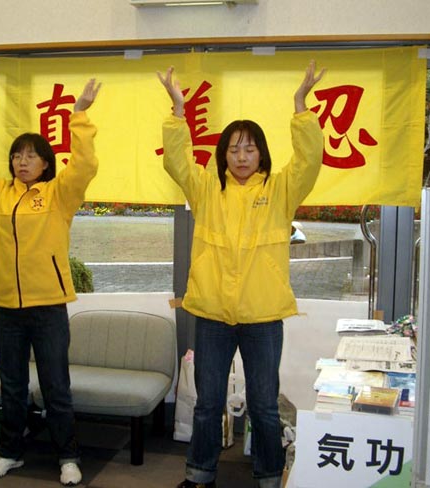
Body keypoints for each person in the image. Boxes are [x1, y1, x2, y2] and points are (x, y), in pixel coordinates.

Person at [157, 61, 325, 488]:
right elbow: (176, 162)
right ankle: (199, 475)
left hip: (262, 318)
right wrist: (178, 112)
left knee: (264, 406)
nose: (242, 157)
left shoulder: (280, 189)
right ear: (223, 155)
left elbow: (310, 160)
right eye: (233, 150)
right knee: (207, 404)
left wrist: (301, 107)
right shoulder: (206, 188)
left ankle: (268, 476)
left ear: (261, 153)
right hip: (213, 315)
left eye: (249, 149)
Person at [0, 78, 101, 486]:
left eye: (30, 156)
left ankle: (68, 456)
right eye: (16, 155)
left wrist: (80, 114)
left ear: (45, 163)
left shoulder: (59, 194)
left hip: (48, 307)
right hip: (6, 309)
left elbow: (84, 165)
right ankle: (9, 452)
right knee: (11, 387)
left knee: (55, 387)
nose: (22, 161)